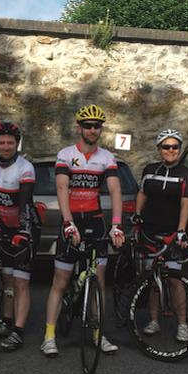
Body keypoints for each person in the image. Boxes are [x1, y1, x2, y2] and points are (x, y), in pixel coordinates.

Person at [41, 104, 125, 357]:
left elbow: (115, 190)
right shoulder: (66, 154)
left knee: (99, 280)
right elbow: (62, 189)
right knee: (60, 281)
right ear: (79, 128)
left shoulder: (106, 157)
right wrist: (67, 222)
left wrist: (117, 225)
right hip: (72, 220)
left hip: (95, 221)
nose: (92, 130)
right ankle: (49, 336)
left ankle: (98, 333)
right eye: (87, 125)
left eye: (96, 126)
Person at [132, 129, 188, 342]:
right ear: (159, 149)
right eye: (166, 147)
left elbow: (186, 203)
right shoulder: (149, 170)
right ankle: (153, 320)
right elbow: (142, 193)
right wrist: (137, 215)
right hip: (150, 231)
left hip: (172, 232)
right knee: (153, 279)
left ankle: (183, 325)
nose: (170, 150)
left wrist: (181, 230)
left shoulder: (186, 173)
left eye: (174, 147)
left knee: (175, 281)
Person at [0, 120, 40, 351]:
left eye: (10, 143)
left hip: (25, 227)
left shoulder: (25, 168)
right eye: (2, 142)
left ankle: (18, 330)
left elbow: (25, 204)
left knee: (20, 281)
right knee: (6, 278)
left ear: (18, 144)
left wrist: (24, 232)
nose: (6, 146)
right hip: (5, 226)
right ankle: (6, 322)